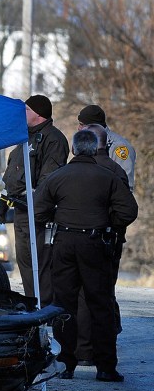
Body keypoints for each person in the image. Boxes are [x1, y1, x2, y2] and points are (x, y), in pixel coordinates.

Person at [34, 129, 137, 382]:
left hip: (64, 243)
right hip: (96, 242)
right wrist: (107, 221)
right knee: (100, 305)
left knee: (64, 304)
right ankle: (105, 367)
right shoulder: (108, 177)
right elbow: (129, 211)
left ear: (74, 150)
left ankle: (65, 363)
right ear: (94, 150)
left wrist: (58, 218)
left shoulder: (58, 177)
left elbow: (38, 211)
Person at [0, 94, 69, 305]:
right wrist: (3, 200)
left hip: (37, 212)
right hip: (20, 211)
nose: (23, 114)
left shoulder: (53, 139)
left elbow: (50, 179)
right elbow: (12, 175)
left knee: (41, 261)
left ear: (38, 114)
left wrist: (36, 208)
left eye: (26, 110)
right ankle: (32, 303)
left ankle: (44, 306)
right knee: (25, 261)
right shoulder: (23, 138)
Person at [74, 124, 130, 366]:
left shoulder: (72, 170)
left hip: (77, 239)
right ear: (105, 144)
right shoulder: (116, 170)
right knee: (104, 297)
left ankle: (82, 351)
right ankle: (104, 356)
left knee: (81, 296)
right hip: (108, 240)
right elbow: (128, 210)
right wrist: (112, 227)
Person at [77, 104, 136, 191]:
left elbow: (125, 186)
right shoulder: (87, 142)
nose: (79, 128)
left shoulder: (119, 146)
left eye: (82, 125)